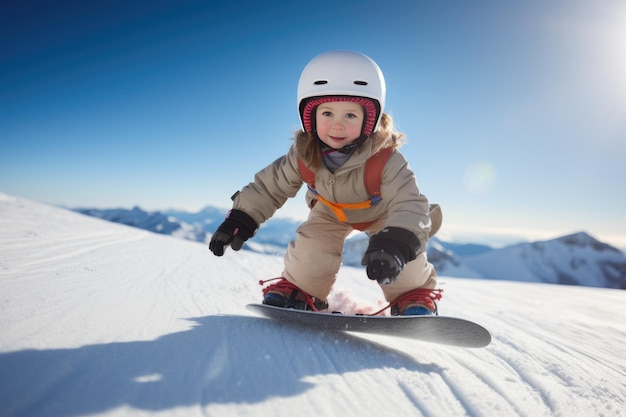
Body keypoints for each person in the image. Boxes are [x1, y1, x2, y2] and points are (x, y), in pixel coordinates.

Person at [209, 50, 441, 315]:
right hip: (330, 211)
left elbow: (408, 201)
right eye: (327, 113)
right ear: (310, 117)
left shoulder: (385, 158)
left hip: (382, 214)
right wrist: (241, 217)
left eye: (350, 116)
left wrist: (400, 239)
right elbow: (269, 187)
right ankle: (300, 290)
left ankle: (413, 296)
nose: (337, 126)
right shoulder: (305, 155)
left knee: (399, 259)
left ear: (370, 120)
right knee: (312, 246)